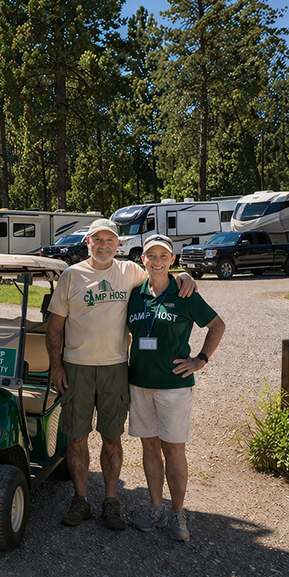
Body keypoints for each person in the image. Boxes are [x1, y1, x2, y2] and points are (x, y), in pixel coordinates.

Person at [46, 219, 197, 531]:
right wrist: (56, 366)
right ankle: (81, 500)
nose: (103, 245)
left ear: (119, 245)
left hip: (116, 367)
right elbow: (55, 326)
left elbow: (161, 274)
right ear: (87, 243)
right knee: (76, 437)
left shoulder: (130, 271)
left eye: (109, 240)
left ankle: (111, 501)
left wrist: (185, 275)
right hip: (77, 366)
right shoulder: (71, 276)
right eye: (97, 240)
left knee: (112, 436)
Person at [126, 234, 225, 541]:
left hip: (174, 387)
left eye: (163, 256)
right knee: (150, 448)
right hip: (139, 384)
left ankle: (177, 513)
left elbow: (217, 325)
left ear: (172, 259)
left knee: (174, 449)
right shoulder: (134, 294)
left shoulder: (185, 292)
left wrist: (201, 359)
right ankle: (155, 508)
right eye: (151, 256)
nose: (157, 261)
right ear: (143, 260)